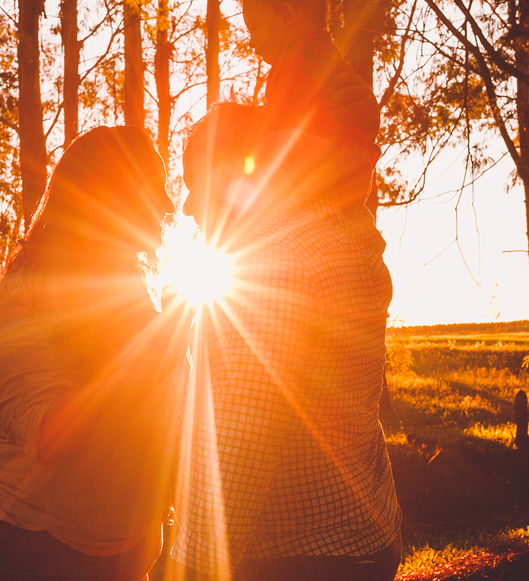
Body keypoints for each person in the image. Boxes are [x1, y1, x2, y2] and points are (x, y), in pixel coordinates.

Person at [170, 103, 402, 581]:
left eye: (196, 185)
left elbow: (241, 440)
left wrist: (191, 565)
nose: (188, 206)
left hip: (294, 556)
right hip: (362, 536)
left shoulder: (269, 260)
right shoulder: (342, 229)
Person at [0, 126, 189, 581]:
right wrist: (160, 345)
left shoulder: (128, 295)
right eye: (152, 188)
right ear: (106, 198)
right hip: (18, 552)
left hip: (118, 554)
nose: (168, 205)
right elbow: (55, 435)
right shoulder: (22, 301)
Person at [243, 0, 381, 212]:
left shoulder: (298, 61)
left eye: (255, 27)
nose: (252, 42)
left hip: (323, 174)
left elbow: (282, 123)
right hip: (353, 176)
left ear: (286, 16)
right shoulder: (326, 56)